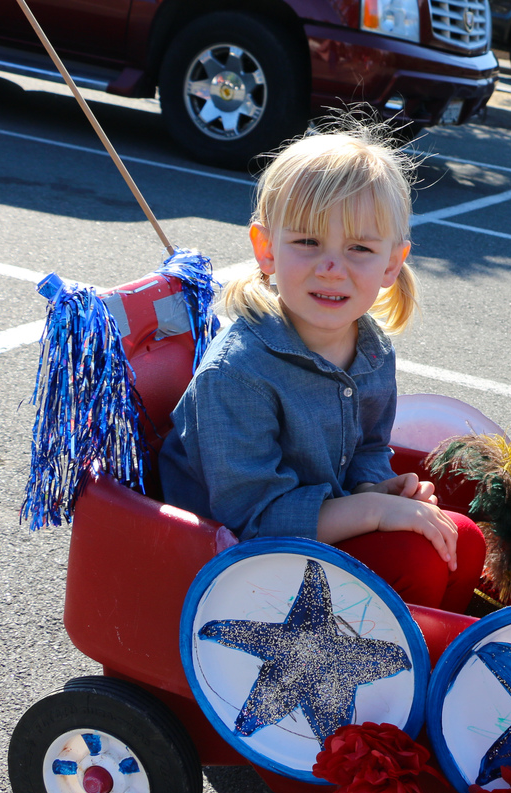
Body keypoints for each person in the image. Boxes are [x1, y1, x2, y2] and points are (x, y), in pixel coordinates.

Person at [160, 127, 485, 612]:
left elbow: (369, 447)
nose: (332, 267)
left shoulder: (371, 351)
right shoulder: (239, 373)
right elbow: (255, 518)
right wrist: (373, 509)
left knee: (463, 540)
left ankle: (440, 664)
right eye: (308, 241)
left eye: (359, 249)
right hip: (238, 565)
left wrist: (375, 486)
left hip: (313, 536)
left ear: (392, 264)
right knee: (415, 559)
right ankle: (386, 676)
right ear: (267, 249)